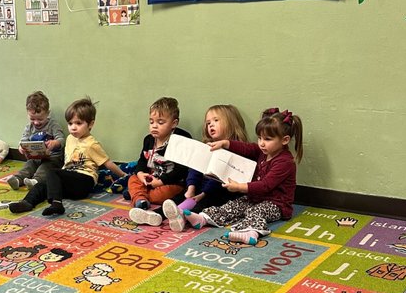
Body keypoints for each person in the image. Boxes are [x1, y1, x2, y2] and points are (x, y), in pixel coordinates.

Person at [183, 107, 304, 245]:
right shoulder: (263, 151)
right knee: (234, 205)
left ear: (285, 140)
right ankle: (203, 218)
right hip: (256, 197)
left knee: (256, 211)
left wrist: (240, 187)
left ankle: (251, 232)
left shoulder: (285, 162)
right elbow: (246, 148)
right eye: (260, 138)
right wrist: (225, 143)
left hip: (277, 204)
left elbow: (265, 185)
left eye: (268, 139)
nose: (261, 143)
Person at [8, 97, 126, 217]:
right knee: (42, 184)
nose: (73, 127)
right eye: (70, 123)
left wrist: (124, 175)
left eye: (78, 123)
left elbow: (108, 163)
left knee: (52, 172)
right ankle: (27, 202)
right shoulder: (70, 138)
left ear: (90, 124)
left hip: (84, 181)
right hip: (69, 180)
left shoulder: (92, 144)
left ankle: (56, 203)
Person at [162, 104, 247, 232]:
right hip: (201, 188)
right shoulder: (206, 147)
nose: (210, 125)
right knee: (180, 196)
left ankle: (183, 217)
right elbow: (194, 169)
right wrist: (191, 187)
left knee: (206, 202)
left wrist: (203, 194)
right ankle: (158, 214)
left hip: (220, 191)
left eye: (216, 121)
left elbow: (218, 179)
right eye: (208, 123)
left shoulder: (235, 150)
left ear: (231, 124)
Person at [127, 97, 191, 227]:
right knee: (132, 179)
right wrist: (140, 173)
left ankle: (137, 194)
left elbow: (181, 170)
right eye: (151, 122)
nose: (154, 126)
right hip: (151, 178)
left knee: (166, 194)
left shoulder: (181, 140)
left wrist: (161, 182)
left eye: (160, 123)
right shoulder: (149, 140)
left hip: (170, 183)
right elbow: (142, 160)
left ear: (173, 123)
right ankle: (141, 200)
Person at [6, 90, 65, 191]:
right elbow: (23, 141)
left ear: (47, 113)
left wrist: (55, 143)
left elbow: (62, 140)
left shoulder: (53, 125)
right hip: (35, 158)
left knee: (44, 169)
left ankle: (35, 182)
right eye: (32, 119)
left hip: (52, 159)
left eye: (40, 119)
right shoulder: (29, 127)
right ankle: (17, 180)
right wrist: (21, 148)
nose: (36, 122)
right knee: (28, 166)